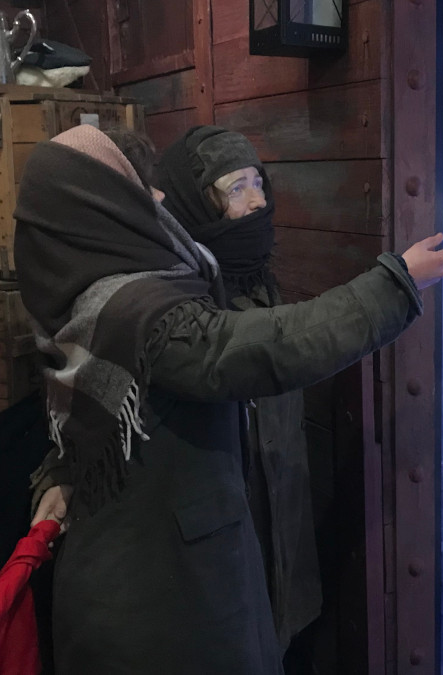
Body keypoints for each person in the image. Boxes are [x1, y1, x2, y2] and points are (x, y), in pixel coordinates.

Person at [16, 124, 443, 673]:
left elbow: (90, 421)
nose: (158, 196)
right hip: (161, 610)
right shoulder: (139, 311)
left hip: (130, 590)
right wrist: (397, 283)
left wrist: (62, 474)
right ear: (102, 207)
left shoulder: (87, 296)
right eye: (137, 189)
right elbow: (257, 350)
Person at [154, 125, 320, 661]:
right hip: (217, 555)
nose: (256, 203)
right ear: (194, 203)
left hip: (282, 534)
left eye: (257, 183)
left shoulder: (263, 286)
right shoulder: (180, 300)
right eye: (235, 189)